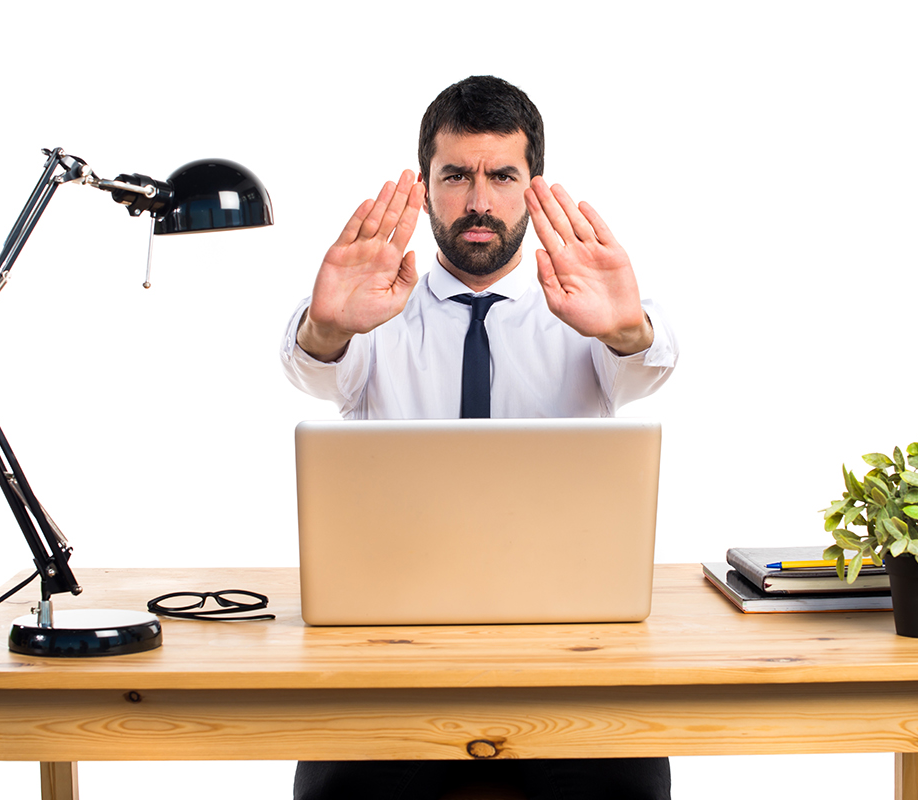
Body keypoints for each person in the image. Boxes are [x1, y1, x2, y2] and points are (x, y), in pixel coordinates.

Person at [281, 76, 677, 800]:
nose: (477, 201)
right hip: (389, 641)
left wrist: (625, 327)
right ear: (426, 187)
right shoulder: (378, 308)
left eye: (501, 176)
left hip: (567, 640)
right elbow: (313, 369)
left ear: (533, 187)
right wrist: (328, 325)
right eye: (455, 175)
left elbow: (646, 363)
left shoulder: (586, 307)